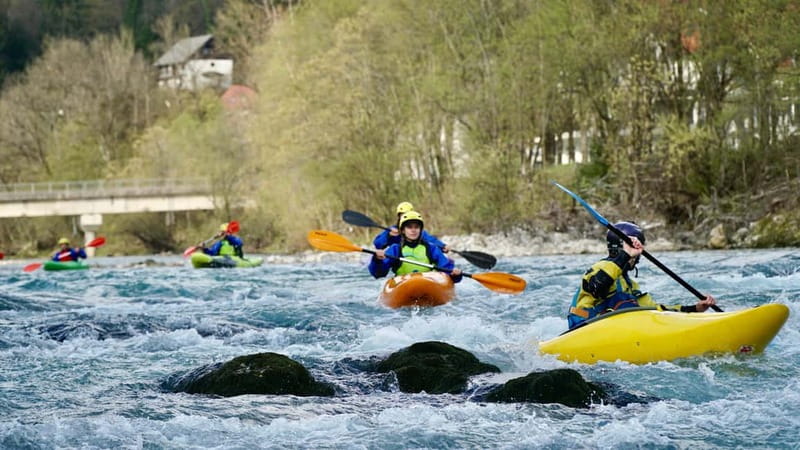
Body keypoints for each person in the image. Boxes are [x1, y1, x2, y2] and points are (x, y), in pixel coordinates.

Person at [567, 221, 716, 330]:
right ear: (620, 248)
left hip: (613, 330)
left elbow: (653, 310)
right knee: (622, 301)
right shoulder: (601, 267)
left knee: (632, 304)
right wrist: (625, 255)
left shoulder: (629, 284)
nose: (636, 256)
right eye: (632, 250)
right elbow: (596, 287)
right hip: (584, 327)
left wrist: (694, 309)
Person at [369, 211, 462, 282]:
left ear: (420, 230)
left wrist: (455, 274)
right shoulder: (395, 249)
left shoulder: (431, 248)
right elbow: (378, 274)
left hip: (428, 283)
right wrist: (377, 260)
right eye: (409, 227)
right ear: (403, 231)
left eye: (416, 227)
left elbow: (447, 270)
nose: (413, 230)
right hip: (403, 284)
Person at [373, 201, 449, 252]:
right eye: (402, 214)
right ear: (399, 216)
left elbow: (430, 240)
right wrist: (388, 235)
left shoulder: (417, 231)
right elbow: (378, 245)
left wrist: (442, 246)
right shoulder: (391, 231)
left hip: (416, 256)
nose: (405, 216)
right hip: (399, 260)